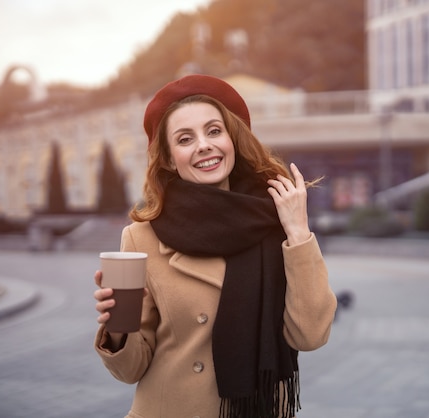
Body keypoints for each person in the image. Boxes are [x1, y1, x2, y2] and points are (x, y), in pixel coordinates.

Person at [93, 74, 337, 418]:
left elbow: (311, 336)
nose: (204, 145)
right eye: (184, 138)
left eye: (213, 131)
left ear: (231, 140)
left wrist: (298, 233)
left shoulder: (276, 220)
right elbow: (130, 370)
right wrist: (118, 325)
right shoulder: (141, 237)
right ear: (167, 158)